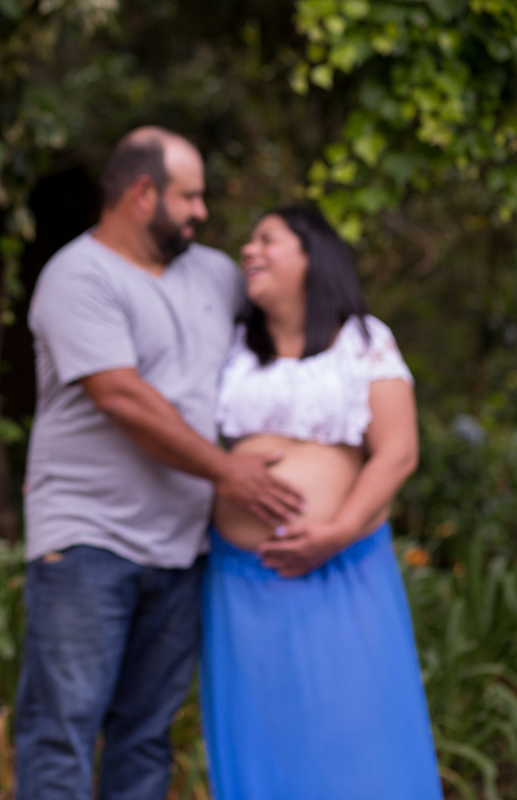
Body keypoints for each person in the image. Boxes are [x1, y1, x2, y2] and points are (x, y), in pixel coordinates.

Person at [16, 127, 304, 800]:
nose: (203, 212)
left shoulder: (217, 276)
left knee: (145, 736)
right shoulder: (77, 276)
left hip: (184, 546)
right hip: (89, 539)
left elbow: (283, 332)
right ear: (143, 194)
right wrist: (230, 472)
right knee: (63, 728)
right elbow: (123, 397)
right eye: (191, 196)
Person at [201, 206, 441, 800]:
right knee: (264, 736)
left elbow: (398, 452)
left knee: (355, 733)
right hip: (241, 582)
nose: (248, 250)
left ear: (313, 255)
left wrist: (337, 530)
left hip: (342, 569)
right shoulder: (232, 346)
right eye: (247, 240)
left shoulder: (363, 339)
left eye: (267, 239)